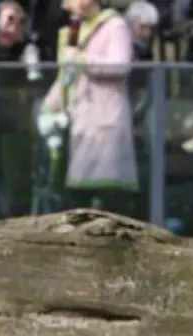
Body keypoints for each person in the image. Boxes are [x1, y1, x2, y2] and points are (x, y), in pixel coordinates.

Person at [40, 0, 139, 218]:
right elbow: (67, 77)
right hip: (78, 124)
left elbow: (120, 65)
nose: (66, 6)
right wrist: (49, 106)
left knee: (108, 200)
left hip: (105, 122)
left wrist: (82, 58)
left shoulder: (115, 26)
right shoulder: (73, 32)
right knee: (75, 198)